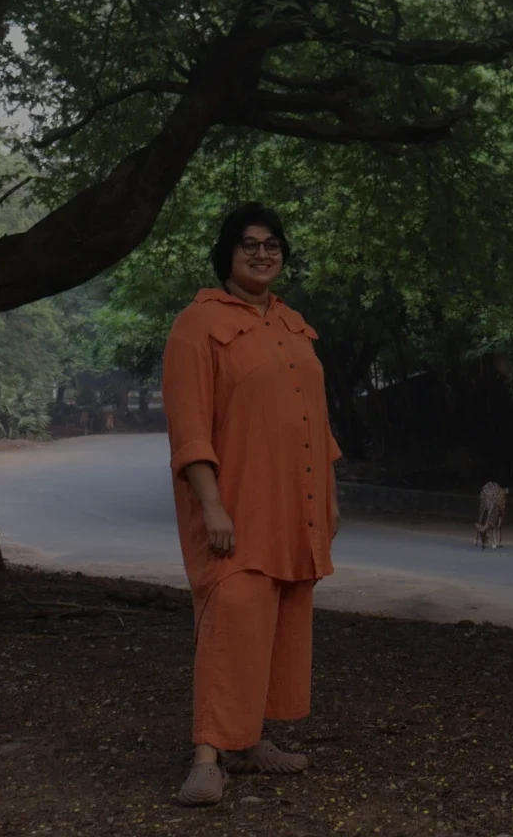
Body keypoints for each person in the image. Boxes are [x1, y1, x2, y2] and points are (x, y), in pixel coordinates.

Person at [162, 202, 341, 807]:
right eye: (248, 244)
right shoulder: (197, 322)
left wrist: (328, 505)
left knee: (277, 620)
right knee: (232, 616)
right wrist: (212, 506)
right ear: (227, 255)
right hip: (235, 506)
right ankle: (207, 757)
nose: (262, 253)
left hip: (294, 507)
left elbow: (317, 424)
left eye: (272, 244)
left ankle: (249, 739)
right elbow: (189, 428)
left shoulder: (293, 325)